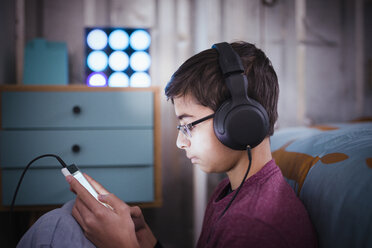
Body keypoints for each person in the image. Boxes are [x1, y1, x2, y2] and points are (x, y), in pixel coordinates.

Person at [18, 41, 318, 248]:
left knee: (54, 227)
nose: (179, 142)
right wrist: (149, 242)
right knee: (67, 216)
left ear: (240, 122)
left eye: (187, 125)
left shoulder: (254, 229)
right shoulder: (231, 189)